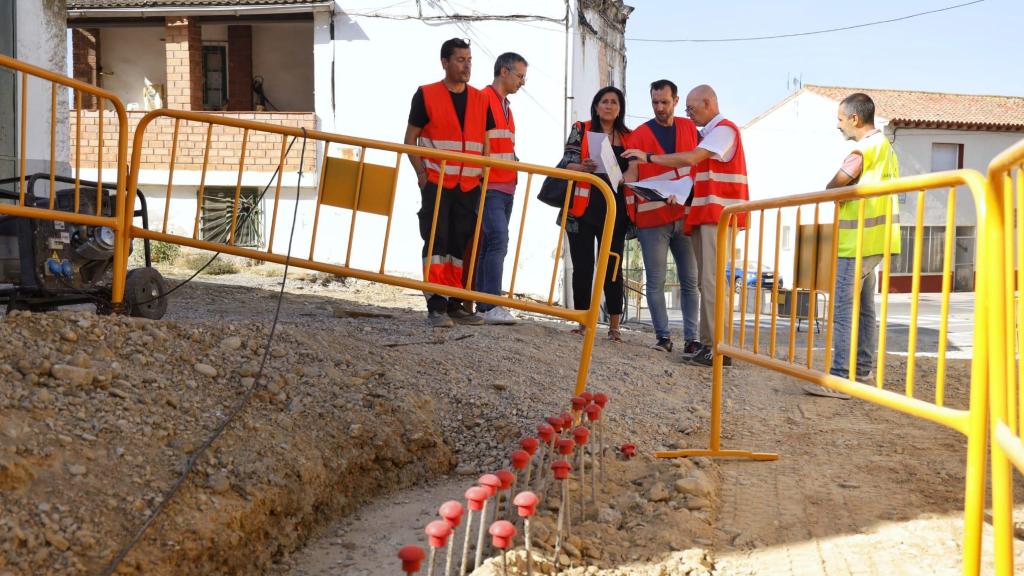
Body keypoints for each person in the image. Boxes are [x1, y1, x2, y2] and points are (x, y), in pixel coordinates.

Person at [622, 84, 749, 366]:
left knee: (709, 283)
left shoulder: (723, 131)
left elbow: (691, 159)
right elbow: (695, 176)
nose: (688, 114)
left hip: (717, 216)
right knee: (706, 283)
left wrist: (649, 158)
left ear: (708, 103)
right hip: (705, 216)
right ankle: (709, 345)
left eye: (691, 108)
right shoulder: (710, 134)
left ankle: (717, 347)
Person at [805, 92, 901, 399]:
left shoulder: (863, 149)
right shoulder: (886, 148)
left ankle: (840, 378)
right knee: (865, 310)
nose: (838, 125)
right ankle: (862, 371)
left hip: (856, 240)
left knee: (845, 309)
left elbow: (837, 183)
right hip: (876, 239)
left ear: (854, 119)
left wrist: (832, 189)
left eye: (840, 119)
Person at [404, 38, 494, 328]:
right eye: (460, 60)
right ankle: (436, 305)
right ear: (444, 62)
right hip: (437, 183)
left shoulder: (481, 99)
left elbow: (487, 144)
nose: (466, 65)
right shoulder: (426, 94)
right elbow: (410, 141)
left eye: (469, 60)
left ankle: (454, 303)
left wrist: (483, 175)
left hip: (468, 186)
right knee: (436, 242)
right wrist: (421, 174)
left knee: (459, 245)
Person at [621, 79, 701, 356]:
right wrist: (625, 181)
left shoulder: (690, 128)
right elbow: (632, 169)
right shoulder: (640, 134)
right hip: (652, 219)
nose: (659, 107)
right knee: (655, 281)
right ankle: (663, 337)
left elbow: (698, 164)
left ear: (675, 101)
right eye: (655, 102)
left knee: (690, 280)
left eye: (664, 102)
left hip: (685, 214)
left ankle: (692, 339)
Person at [562, 86, 631, 341]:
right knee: (582, 266)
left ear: (620, 108)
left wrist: (627, 177)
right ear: (596, 105)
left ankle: (614, 327)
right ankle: (582, 323)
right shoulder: (581, 129)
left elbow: (635, 169)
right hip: (582, 208)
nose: (609, 106)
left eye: (614, 102)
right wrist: (583, 167)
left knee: (612, 267)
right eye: (605, 101)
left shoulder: (629, 137)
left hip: (616, 211)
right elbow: (565, 162)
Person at [474, 52, 528, 325]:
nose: (522, 81)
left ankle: (484, 304)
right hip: (490, 184)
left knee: (490, 244)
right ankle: (491, 303)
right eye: (520, 75)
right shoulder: (484, 99)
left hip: (506, 185)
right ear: (504, 72)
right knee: (498, 241)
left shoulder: (506, 106)